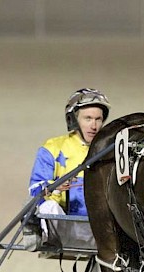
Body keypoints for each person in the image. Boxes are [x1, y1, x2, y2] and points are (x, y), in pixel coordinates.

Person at [24, 88, 111, 251]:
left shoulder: (109, 149)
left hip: (101, 229)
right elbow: (33, 190)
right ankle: (38, 235)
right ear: (74, 120)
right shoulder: (53, 148)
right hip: (66, 229)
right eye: (88, 119)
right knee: (48, 208)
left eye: (99, 119)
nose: (94, 125)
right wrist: (53, 187)